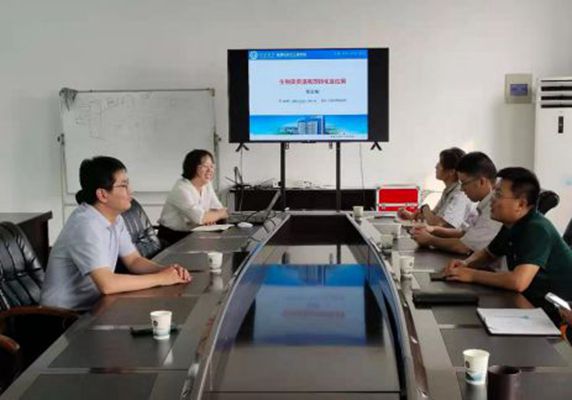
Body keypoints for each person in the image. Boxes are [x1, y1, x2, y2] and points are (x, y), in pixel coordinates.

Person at [41, 156, 191, 312]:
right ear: (102, 194)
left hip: (95, 305)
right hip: (64, 316)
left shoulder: (115, 218)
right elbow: (107, 285)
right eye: (124, 186)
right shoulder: (85, 225)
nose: (131, 191)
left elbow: (133, 261)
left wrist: (166, 271)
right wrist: (161, 278)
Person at [443, 167, 572, 312]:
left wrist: (471, 275)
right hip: (532, 302)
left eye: (498, 194)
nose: (492, 198)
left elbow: (518, 282)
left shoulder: (537, 229)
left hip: (560, 313)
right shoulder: (511, 224)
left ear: (521, 204)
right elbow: (488, 254)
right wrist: (465, 264)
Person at [411, 152, 502, 255]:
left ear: (481, 182)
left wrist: (429, 239)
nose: (462, 189)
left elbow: (463, 247)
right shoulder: (484, 204)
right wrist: (432, 230)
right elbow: (464, 233)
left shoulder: (494, 207)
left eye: (464, 183)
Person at [158, 149, 228, 243]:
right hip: (173, 237)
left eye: (212, 166)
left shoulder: (207, 184)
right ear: (193, 167)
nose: (210, 170)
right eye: (205, 166)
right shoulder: (181, 189)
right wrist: (215, 215)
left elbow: (218, 208)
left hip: (194, 233)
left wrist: (211, 216)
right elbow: (200, 218)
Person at [398, 147, 475, 229]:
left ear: (451, 172)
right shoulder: (449, 190)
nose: (436, 166)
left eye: (440, 163)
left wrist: (425, 207)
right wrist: (410, 215)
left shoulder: (459, 194)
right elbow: (432, 216)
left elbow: (438, 223)